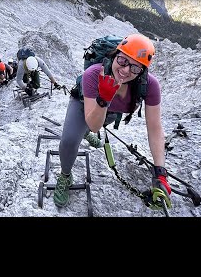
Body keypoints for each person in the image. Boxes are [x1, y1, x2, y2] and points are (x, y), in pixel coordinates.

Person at [52, 34, 171, 210]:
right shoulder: (93, 74)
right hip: (84, 103)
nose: (125, 70)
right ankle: (65, 175)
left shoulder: (150, 85)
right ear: (115, 55)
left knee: (92, 125)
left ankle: (83, 131)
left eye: (135, 68)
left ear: (143, 71)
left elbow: (155, 128)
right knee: (69, 141)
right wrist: (104, 98)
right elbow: (94, 126)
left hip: (109, 112)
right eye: (122, 60)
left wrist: (160, 172)